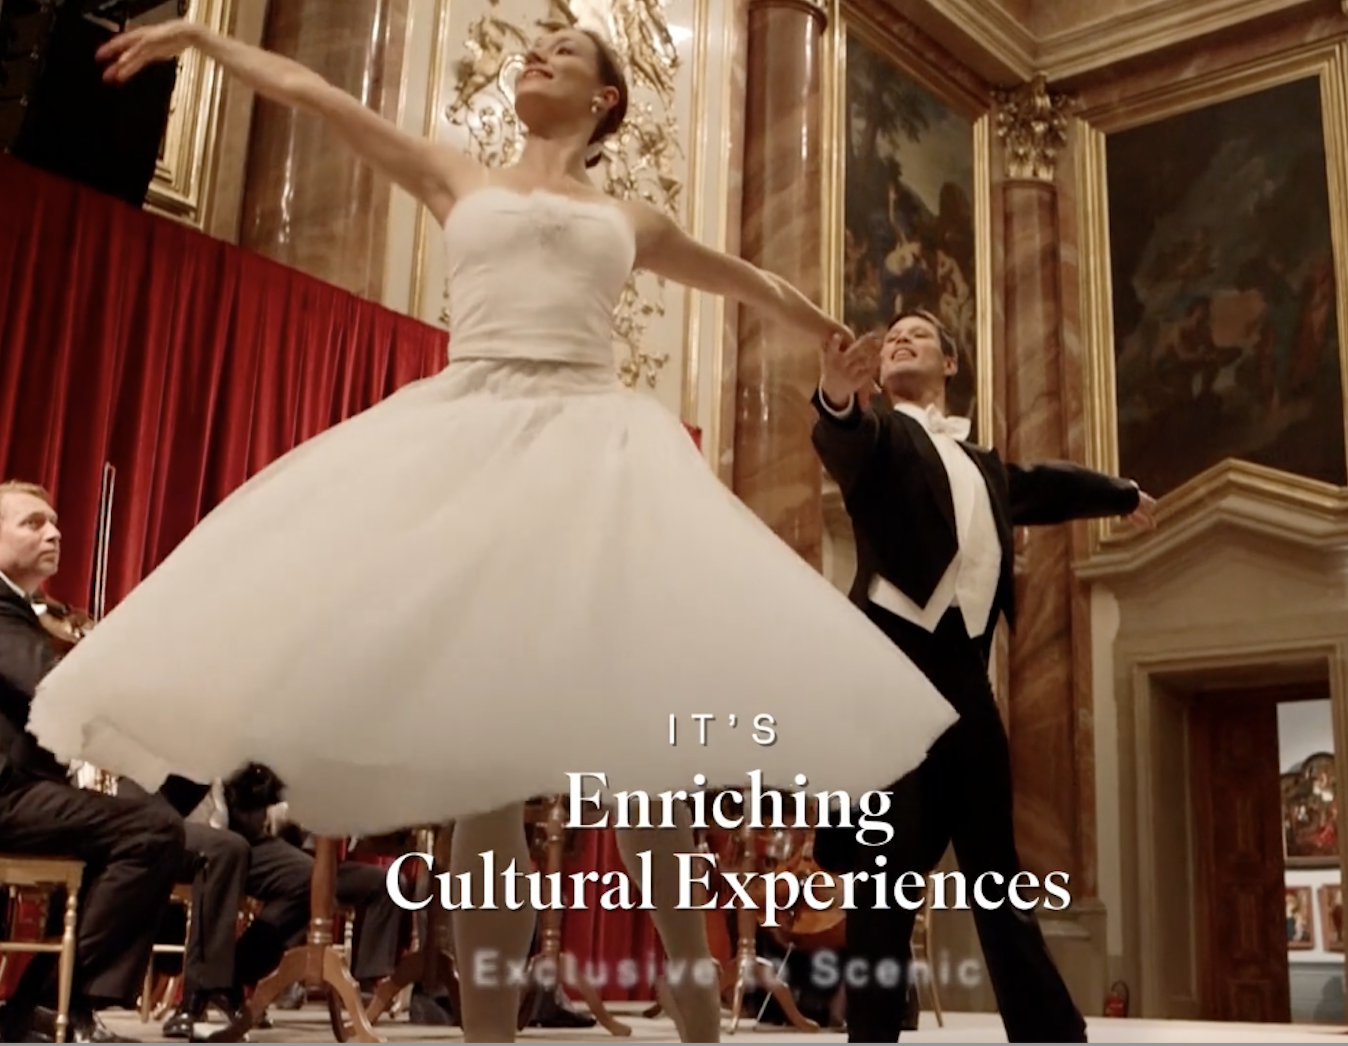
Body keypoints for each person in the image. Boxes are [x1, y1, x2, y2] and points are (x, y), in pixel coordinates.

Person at [26, 20, 961, 1042]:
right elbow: (313, 94)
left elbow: (740, 278)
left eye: (563, 51)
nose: (536, 55)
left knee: (642, 783)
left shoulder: (628, 213)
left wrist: (826, 329)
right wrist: (204, 38)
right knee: (485, 781)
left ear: (607, 99)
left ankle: (698, 1024)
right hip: (470, 447)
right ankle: (486, 1035)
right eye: (531, 48)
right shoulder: (454, 173)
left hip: (598, 463)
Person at [808, 310, 1157, 1042]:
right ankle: (871, 1034)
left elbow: (1048, 485)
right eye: (892, 337)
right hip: (893, 681)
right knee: (881, 884)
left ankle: (1049, 1033)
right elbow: (844, 442)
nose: (900, 340)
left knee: (995, 874)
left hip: (966, 681)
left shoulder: (987, 467)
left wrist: (1122, 494)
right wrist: (838, 400)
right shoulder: (881, 435)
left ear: (952, 362)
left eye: (918, 335)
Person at [0, 480, 186, 1043]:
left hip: (25, 788)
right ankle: (50, 1001)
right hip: (9, 792)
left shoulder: (23, 614)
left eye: (56, 522)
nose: (54, 532)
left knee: (144, 823)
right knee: (153, 831)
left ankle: (48, 1003)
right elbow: (52, 688)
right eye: (33, 522)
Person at [157, 764, 404, 1040]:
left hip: (242, 835)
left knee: (311, 882)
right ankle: (194, 1001)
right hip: (182, 826)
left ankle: (234, 975)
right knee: (223, 853)